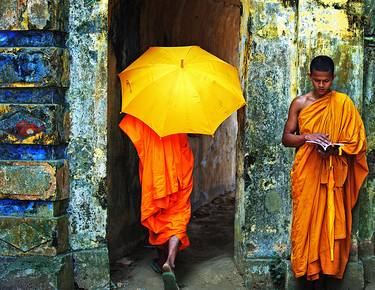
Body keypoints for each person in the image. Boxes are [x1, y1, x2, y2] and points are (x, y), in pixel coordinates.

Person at [282, 55, 368, 282]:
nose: (322, 86)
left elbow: (357, 142)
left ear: (333, 79)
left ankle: (328, 274)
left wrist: (334, 150)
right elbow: (286, 138)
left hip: (332, 170)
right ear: (310, 77)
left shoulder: (342, 103)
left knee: (331, 221)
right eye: (318, 80)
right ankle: (307, 273)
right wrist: (308, 137)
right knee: (307, 220)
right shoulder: (300, 103)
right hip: (308, 170)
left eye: (326, 81)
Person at [119, 114, 194, 290]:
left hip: (155, 173)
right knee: (179, 214)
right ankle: (170, 261)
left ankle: (162, 258)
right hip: (180, 172)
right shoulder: (182, 110)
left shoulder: (145, 113)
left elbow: (133, 135)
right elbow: (192, 137)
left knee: (159, 215)